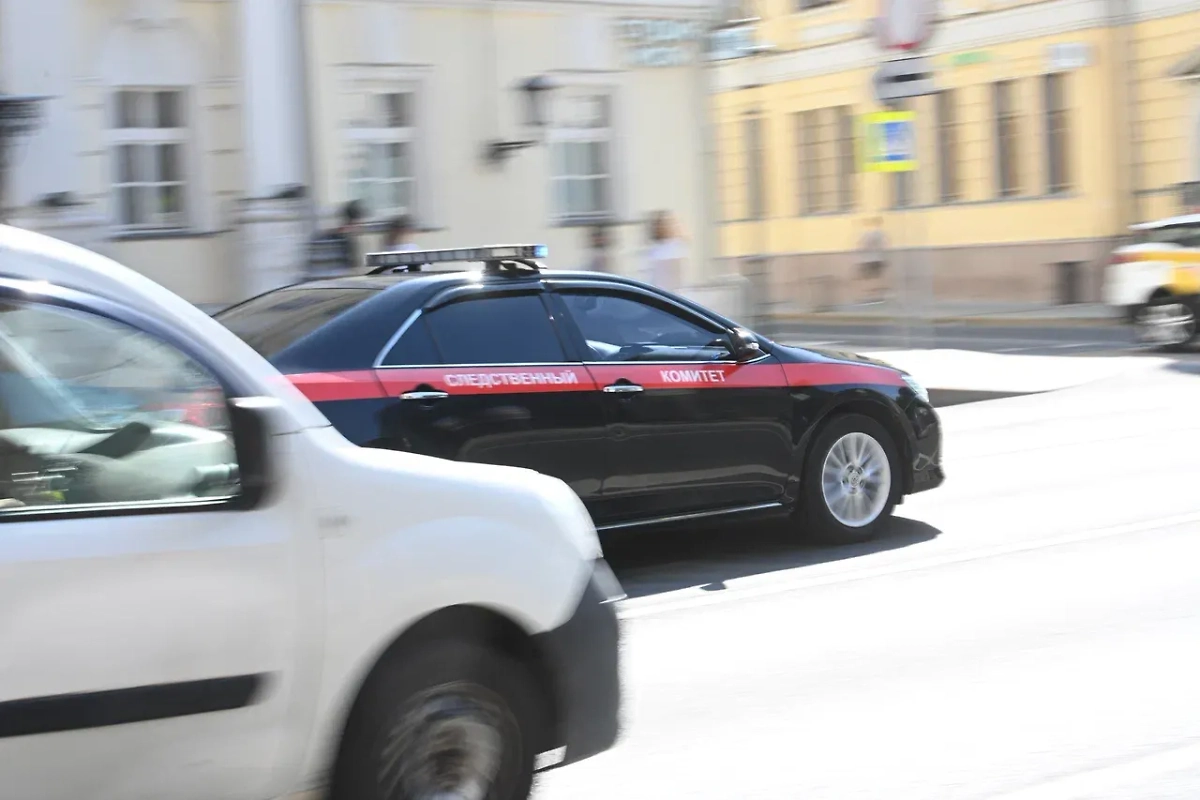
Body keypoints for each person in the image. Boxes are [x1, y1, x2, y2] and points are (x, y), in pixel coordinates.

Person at [308, 200, 366, 277]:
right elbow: (347, 270)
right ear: (355, 222)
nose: (361, 227)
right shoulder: (342, 241)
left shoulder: (325, 237)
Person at [642, 210, 685, 292]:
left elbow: (675, 277)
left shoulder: (676, 247)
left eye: (664, 225)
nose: (661, 228)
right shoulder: (652, 249)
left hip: (669, 293)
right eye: (658, 225)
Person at [857, 216, 889, 305]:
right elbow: (885, 245)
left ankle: (870, 295)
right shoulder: (881, 233)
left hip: (867, 259)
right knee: (877, 277)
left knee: (868, 278)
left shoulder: (866, 234)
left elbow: (862, 246)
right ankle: (878, 294)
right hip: (878, 258)